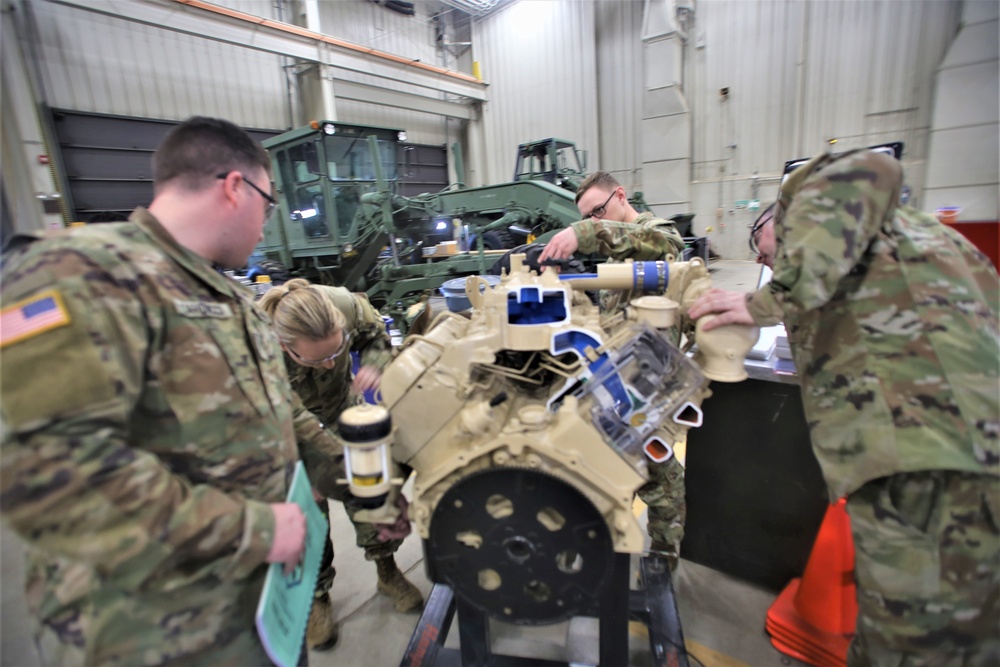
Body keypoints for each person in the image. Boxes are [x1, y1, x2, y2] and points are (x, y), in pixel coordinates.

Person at [0, 116, 350, 665]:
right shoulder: (79, 274)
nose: (267, 226)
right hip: (148, 637)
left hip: (254, 619)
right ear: (236, 188)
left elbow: (284, 418)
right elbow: (52, 479)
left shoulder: (233, 303)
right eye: (269, 204)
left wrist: (361, 480)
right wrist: (254, 530)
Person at [689, 148, 999, 665]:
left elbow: (870, 170)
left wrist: (758, 302)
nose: (765, 264)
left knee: (912, 641)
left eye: (763, 252)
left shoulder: (834, 201)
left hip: (929, 466)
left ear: (787, 217)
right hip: (946, 456)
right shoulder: (914, 248)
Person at [259, 278, 423, 650]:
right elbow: (282, 413)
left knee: (365, 493)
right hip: (290, 427)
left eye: (337, 351)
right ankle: (317, 597)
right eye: (318, 360)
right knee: (307, 516)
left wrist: (376, 363)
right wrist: (311, 469)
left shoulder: (345, 306)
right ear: (285, 347)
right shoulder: (257, 346)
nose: (332, 364)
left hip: (343, 412)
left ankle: (387, 571)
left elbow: (376, 334)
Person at [538, 171, 689, 570]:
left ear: (621, 196)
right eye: (588, 217)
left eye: (598, 212)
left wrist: (586, 232)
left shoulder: (655, 232)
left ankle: (662, 553)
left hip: (650, 383)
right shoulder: (614, 260)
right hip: (611, 380)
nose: (595, 222)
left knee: (658, 474)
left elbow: (667, 246)